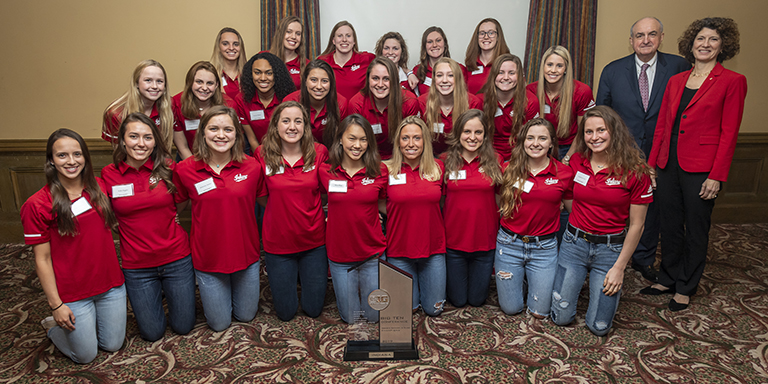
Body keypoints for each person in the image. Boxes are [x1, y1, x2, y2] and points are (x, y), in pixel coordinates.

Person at [645, 17, 747, 311]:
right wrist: (652, 164)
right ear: (691, 44)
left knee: (697, 228)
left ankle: (686, 286)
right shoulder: (676, 80)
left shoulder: (732, 81)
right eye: (700, 39)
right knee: (670, 224)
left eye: (712, 39)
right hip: (667, 163)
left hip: (702, 168)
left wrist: (716, 176)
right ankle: (667, 277)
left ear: (723, 45)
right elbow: (663, 126)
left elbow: (730, 133)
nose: (705, 44)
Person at [596, 17, 691, 283]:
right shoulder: (613, 71)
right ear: (631, 41)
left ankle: (643, 258)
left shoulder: (679, 66)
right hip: (622, 149)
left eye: (651, 34)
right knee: (615, 202)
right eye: (639, 35)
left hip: (665, 151)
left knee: (652, 205)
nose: (645, 40)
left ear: (661, 37)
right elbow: (602, 113)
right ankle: (610, 252)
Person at [21, 129, 125, 364]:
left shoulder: (99, 187)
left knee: (112, 344)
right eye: (62, 155)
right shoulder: (36, 204)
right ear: (51, 160)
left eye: (77, 154)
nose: (71, 161)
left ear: (85, 157)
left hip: (110, 285)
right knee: (86, 356)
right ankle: (52, 326)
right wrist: (56, 305)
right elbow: (42, 259)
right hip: (73, 293)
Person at [551, 106, 652, 336]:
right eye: (588, 132)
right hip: (574, 244)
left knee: (600, 327)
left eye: (601, 130)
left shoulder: (635, 171)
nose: (594, 137)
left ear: (614, 131)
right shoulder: (577, 161)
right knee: (560, 318)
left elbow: (637, 225)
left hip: (610, 249)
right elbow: (567, 195)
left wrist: (620, 268)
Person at [101, 114, 195, 341]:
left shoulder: (169, 167)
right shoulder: (109, 174)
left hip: (176, 258)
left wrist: (169, 217)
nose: (141, 143)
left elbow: (181, 201)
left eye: (147, 137)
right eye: (133, 136)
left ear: (155, 142)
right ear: (122, 141)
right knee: (152, 333)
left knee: (183, 326)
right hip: (137, 265)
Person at [174, 106, 264, 331]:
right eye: (213, 129)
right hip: (209, 258)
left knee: (246, 316)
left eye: (228, 129)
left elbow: (268, 203)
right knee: (219, 323)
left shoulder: (252, 167)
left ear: (237, 134)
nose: (221, 135)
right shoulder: (185, 169)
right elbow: (176, 207)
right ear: (203, 132)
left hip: (246, 254)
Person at [256, 101, 329, 321]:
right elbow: (261, 196)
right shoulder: (262, 153)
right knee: (286, 313)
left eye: (298, 121)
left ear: (306, 126)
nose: (292, 127)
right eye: (285, 121)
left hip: (314, 241)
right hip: (279, 243)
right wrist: (283, 210)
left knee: (313, 309)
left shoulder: (319, 152)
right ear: (275, 125)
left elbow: (325, 193)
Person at [495, 118, 572, 318]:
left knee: (540, 312)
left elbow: (572, 210)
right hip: (509, 244)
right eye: (530, 138)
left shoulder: (564, 174)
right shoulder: (507, 169)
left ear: (551, 143)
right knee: (511, 309)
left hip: (543, 249)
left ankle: (532, 278)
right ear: (523, 141)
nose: (535, 143)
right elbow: (497, 200)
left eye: (542, 138)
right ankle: (520, 278)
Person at [319, 114, 387, 323]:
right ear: (340, 139)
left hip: (371, 252)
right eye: (352, 138)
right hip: (340, 255)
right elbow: (312, 198)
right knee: (351, 318)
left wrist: (377, 214)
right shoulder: (325, 171)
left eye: (363, 139)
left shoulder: (379, 171)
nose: (357, 145)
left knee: (373, 317)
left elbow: (384, 204)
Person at [383, 116, 446, 316]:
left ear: (425, 141)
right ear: (398, 142)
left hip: (433, 249)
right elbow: (377, 202)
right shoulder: (385, 169)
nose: (411, 144)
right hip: (399, 248)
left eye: (417, 138)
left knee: (434, 310)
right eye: (405, 138)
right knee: (405, 310)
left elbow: (442, 201)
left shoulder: (438, 168)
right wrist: (399, 212)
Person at [441, 109, 502, 307]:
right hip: (453, 242)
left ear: (485, 135)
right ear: (458, 133)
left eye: (478, 132)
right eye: (467, 132)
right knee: (458, 301)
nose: (472, 137)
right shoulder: (443, 161)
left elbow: (501, 198)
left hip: (484, 242)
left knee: (477, 300)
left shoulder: (496, 160)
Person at [527, 46, 595, 162]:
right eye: (549, 65)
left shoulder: (582, 91)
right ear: (543, 66)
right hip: (540, 145)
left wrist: (568, 157)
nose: (553, 70)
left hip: (571, 147)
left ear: (566, 69)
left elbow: (583, 130)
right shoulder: (530, 90)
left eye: (559, 66)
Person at [348, 57, 420, 159]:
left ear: (395, 80)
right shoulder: (356, 104)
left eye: (386, 79)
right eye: (375, 78)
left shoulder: (409, 102)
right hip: (367, 158)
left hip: (401, 158)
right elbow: (355, 143)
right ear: (368, 79)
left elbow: (413, 142)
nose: (380, 84)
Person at [479, 54, 539, 161]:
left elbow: (530, 138)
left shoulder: (530, 102)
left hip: (519, 156)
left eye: (511, 73)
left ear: (519, 76)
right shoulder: (481, 101)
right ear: (493, 75)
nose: (506, 77)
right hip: (487, 155)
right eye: (500, 72)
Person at [102, 60, 174, 149]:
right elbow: (119, 152)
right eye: (148, 80)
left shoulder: (169, 106)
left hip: (160, 160)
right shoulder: (117, 113)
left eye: (159, 81)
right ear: (136, 83)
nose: (155, 86)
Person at [418, 58, 482, 155]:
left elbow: (478, 138)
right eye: (439, 75)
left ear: (458, 78)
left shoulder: (473, 103)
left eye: (451, 75)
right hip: (430, 157)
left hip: (463, 156)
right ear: (434, 79)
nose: (444, 80)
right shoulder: (422, 103)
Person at [234, 52, 296, 151]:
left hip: (287, 152)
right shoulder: (242, 100)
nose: (263, 78)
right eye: (257, 73)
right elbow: (252, 139)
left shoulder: (289, 98)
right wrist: (262, 159)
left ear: (277, 75)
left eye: (269, 73)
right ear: (251, 74)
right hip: (258, 153)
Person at [172, 61, 231, 160]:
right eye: (199, 82)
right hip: (188, 158)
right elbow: (182, 147)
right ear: (190, 82)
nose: (204, 88)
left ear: (216, 85)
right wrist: (196, 171)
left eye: (210, 83)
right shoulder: (177, 104)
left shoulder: (228, 104)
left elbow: (233, 143)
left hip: (221, 159)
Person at [283, 60, 348, 146]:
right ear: (305, 81)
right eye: (314, 80)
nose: (319, 86)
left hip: (330, 155)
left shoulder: (340, 103)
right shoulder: (290, 102)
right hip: (297, 152)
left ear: (331, 83)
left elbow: (341, 140)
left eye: (324, 81)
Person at [317, 21, 375, 100]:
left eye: (348, 36)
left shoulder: (367, 59)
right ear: (333, 40)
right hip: (332, 111)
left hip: (358, 111)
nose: (344, 39)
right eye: (340, 36)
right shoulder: (322, 61)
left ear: (354, 41)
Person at [408, 27, 467, 96]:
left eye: (438, 40)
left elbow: (465, 97)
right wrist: (408, 72)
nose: (434, 45)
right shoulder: (418, 70)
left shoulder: (459, 68)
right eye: (430, 42)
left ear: (445, 44)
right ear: (425, 47)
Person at [464, 18, 510, 94]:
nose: (486, 37)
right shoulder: (469, 66)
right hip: (473, 106)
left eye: (491, 33)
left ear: (498, 37)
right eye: (482, 33)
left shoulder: (507, 65)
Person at [269, 16, 308, 90]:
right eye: (289, 32)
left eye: (298, 34)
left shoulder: (306, 65)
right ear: (280, 34)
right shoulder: (264, 58)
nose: (293, 37)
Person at [210, 27, 247, 99]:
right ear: (219, 47)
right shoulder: (212, 74)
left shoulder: (249, 73)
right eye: (225, 44)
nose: (231, 48)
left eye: (236, 44)